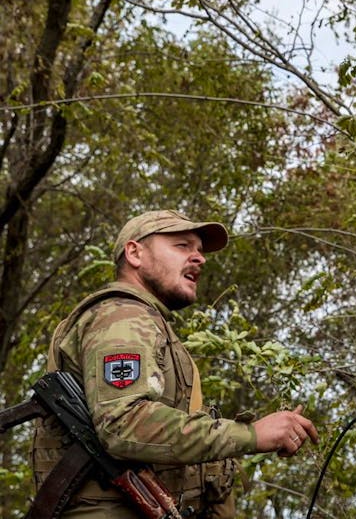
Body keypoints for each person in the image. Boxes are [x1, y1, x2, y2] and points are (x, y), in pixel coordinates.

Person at [31, 210, 319, 518]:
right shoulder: (123, 317)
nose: (199, 258)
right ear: (135, 253)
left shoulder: (149, 325)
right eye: (182, 246)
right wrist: (252, 435)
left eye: (199, 250)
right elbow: (124, 423)